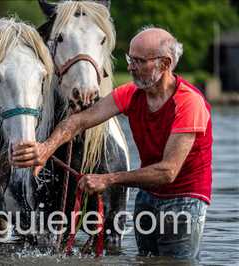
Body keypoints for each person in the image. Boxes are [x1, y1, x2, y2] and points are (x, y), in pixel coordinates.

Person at [11, 27, 212, 259]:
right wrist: (46, 148)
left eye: (138, 61)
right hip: (148, 196)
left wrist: (108, 179)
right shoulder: (132, 93)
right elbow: (79, 121)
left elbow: (167, 172)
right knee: (146, 261)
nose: (129, 67)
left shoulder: (189, 104)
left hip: (184, 201)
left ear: (165, 64)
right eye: (129, 58)